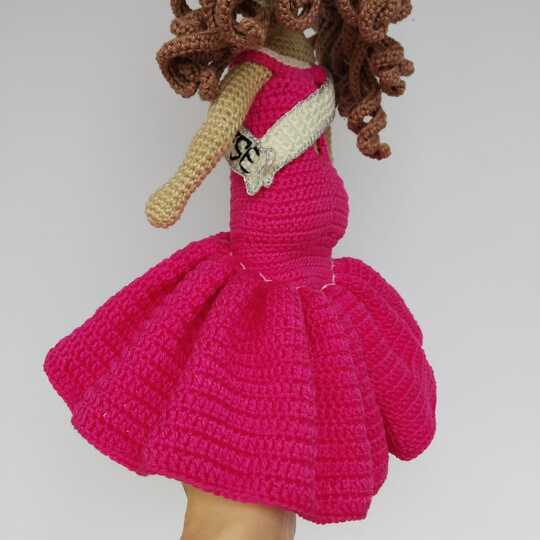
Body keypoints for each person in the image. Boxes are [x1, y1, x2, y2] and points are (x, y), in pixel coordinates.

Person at [44, 1, 437, 538]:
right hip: (263, 269)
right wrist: (178, 188)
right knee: (246, 461)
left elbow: (318, 152)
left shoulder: (317, 81)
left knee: (283, 465)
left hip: (314, 273)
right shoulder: (255, 70)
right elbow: (218, 130)